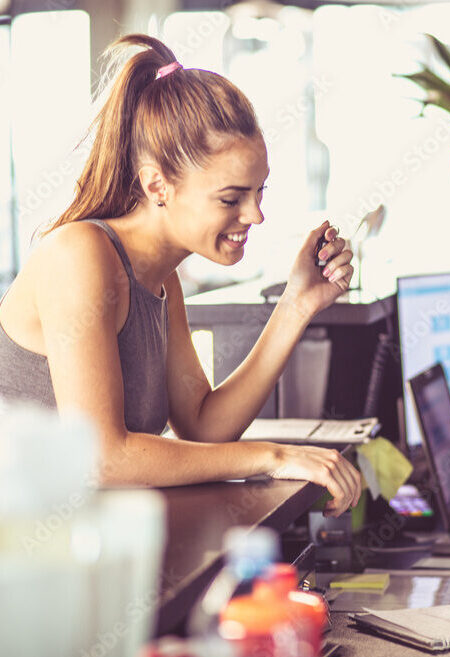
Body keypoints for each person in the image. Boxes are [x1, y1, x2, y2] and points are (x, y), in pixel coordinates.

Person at [0, 34, 361, 517]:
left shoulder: (161, 277)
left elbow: (202, 424)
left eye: (259, 192)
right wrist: (274, 457)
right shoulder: (79, 254)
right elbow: (102, 456)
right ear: (157, 186)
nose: (255, 215)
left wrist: (298, 304)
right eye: (231, 198)